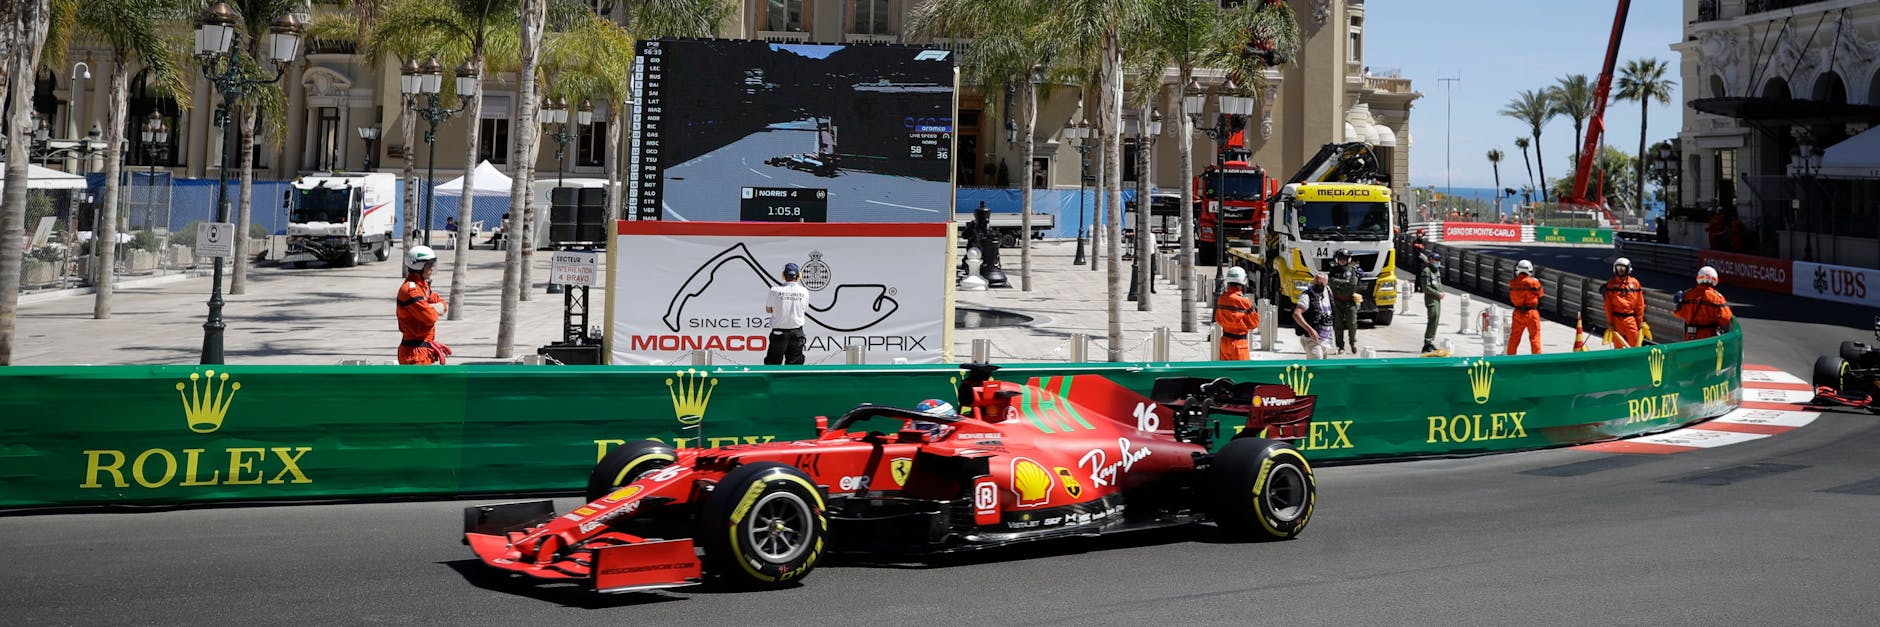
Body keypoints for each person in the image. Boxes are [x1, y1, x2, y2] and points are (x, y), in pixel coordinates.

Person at [395, 245, 451, 365]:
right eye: (429, 265)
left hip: (422, 350)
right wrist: (433, 307)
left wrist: (431, 307)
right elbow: (430, 317)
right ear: (418, 266)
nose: (432, 268)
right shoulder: (411, 290)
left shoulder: (422, 286)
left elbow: (443, 303)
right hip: (414, 353)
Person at [764, 262, 810, 365]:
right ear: (798, 276)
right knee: (794, 367)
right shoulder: (804, 291)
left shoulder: (775, 290)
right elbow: (804, 309)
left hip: (779, 334)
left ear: (783, 275)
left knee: (773, 365)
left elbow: (768, 309)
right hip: (797, 333)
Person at [1675, 266, 1735, 340]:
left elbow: (1678, 313)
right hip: (1709, 337)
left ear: (1698, 277)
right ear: (1715, 279)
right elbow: (1726, 318)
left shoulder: (1688, 295)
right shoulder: (1717, 298)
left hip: (1690, 337)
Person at [1214, 266, 1259, 361]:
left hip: (1225, 342)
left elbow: (1218, 319)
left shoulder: (1222, 298)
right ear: (1242, 282)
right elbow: (1254, 324)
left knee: (1225, 373)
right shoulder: (1244, 301)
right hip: (1239, 344)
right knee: (1242, 374)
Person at [1601, 257, 1645, 348]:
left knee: (1635, 344)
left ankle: (1634, 361)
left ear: (1628, 269)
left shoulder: (1635, 283)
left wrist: (1640, 321)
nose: (1620, 270)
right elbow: (1607, 305)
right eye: (1618, 268)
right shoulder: (1611, 284)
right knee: (1618, 345)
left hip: (1630, 318)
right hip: (1617, 319)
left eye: (1623, 268)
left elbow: (1639, 304)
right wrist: (1610, 322)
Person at [1292, 272, 1334, 360]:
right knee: (1316, 367)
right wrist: (1310, 330)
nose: (1319, 285)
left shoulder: (1328, 292)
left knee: (1321, 368)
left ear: (1326, 284)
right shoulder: (1307, 295)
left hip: (1324, 339)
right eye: (1316, 283)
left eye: (1321, 284)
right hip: (1311, 338)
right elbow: (1296, 314)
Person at [1327, 248, 1362, 353]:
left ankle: (1352, 342)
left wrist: (1338, 284)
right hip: (1337, 301)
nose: (1342, 261)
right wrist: (1344, 283)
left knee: (1352, 323)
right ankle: (1340, 346)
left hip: (1349, 300)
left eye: (1345, 259)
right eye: (1340, 259)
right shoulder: (1333, 270)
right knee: (1338, 325)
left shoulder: (1352, 270)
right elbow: (1330, 282)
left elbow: (1352, 284)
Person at [1506, 259, 1543, 355]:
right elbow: (1540, 294)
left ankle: (1511, 358)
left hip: (1518, 312)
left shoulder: (1512, 283)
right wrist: (1536, 282)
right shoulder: (1534, 283)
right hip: (1532, 313)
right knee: (1535, 338)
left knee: (1514, 338)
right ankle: (1537, 359)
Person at [1420, 251, 1444, 354]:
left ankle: (1430, 342)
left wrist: (1441, 292)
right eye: (1436, 260)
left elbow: (1439, 283)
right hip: (1431, 298)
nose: (1438, 262)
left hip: (1437, 298)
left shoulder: (1437, 271)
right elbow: (1426, 288)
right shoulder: (1426, 271)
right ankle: (1427, 342)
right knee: (1433, 318)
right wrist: (1437, 293)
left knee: (1436, 319)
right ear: (1430, 260)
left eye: (1439, 260)